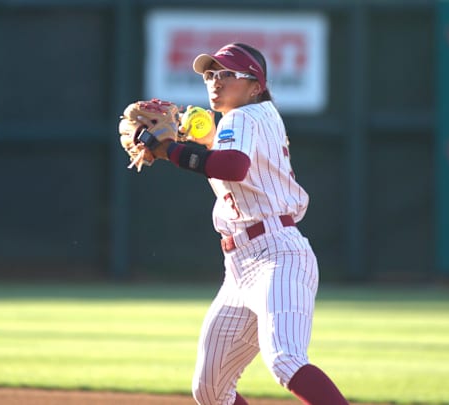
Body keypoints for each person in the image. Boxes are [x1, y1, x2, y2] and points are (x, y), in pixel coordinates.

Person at [139, 43, 349, 405]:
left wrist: (171, 150)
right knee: (209, 390)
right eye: (210, 74)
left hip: (277, 257)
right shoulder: (245, 120)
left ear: (255, 85)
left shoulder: (244, 117)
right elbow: (232, 170)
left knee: (286, 360)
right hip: (240, 266)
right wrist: (202, 141)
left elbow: (233, 167)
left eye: (227, 74)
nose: (215, 82)